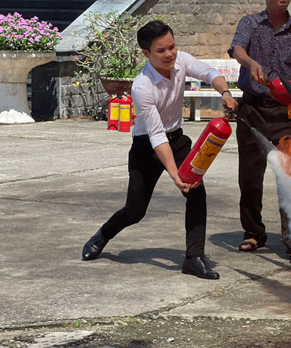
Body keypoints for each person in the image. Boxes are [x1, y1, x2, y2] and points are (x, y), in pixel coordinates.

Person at [81, 20, 238, 279]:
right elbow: (155, 135)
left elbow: (210, 74)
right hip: (147, 147)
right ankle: (103, 235)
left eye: (172, 47)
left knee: (196, 193)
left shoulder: (181, 61)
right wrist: (176, 175)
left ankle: (193, 257)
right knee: (135, 210)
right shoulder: (142, 86)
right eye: (161, 51)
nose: (169, 54)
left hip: (177, 140)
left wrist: (225, 92)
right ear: (146, 53)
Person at [228, 0, 291, 262]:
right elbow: (237, 48)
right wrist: (251, 62)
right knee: (250, 178)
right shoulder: (250, 24)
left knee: (290, 178)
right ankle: (253, 232)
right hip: (252, 109)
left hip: (287, 113)